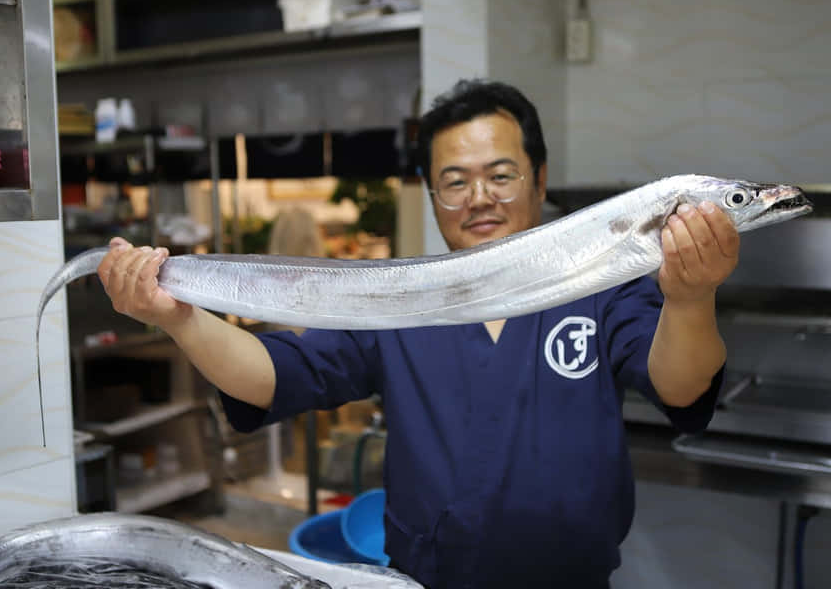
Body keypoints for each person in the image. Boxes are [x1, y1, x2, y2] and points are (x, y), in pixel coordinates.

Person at [98, 79, 740, 588]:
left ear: (539, 180)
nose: (478, 197)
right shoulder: (403, 297)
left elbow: (681, 386)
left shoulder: (601, 285)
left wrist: (691, 297)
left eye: (501, 174)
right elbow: (272, 376)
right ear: (432, 197)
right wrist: (177, 316)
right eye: (454, 182)